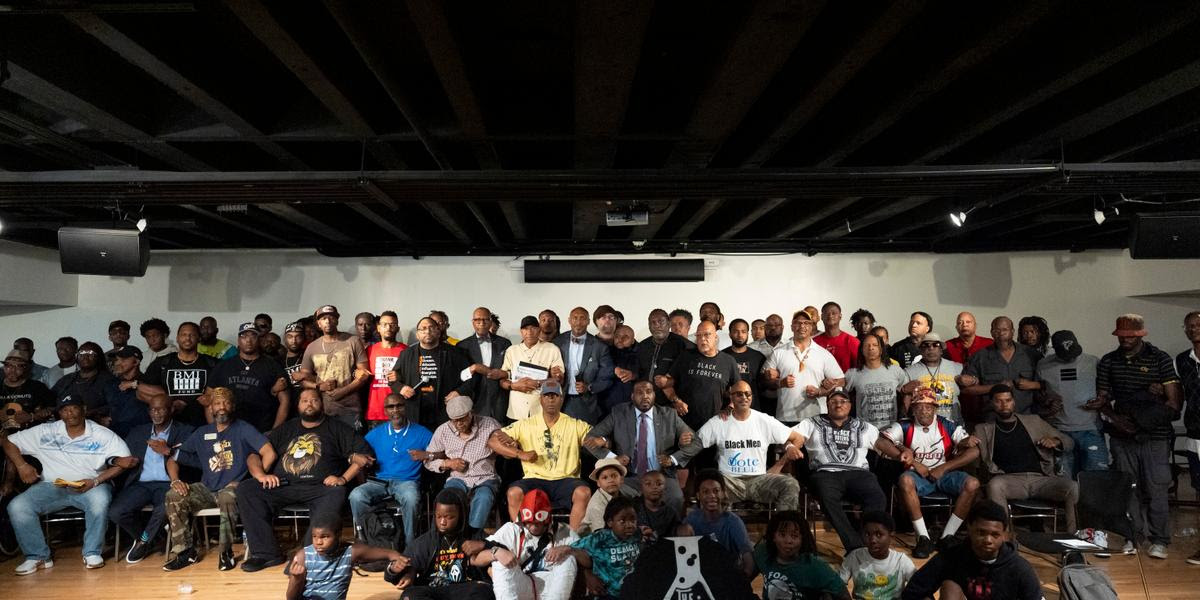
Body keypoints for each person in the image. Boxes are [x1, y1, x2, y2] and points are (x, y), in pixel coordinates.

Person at [237, 389, 370, 572]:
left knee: (337, 492)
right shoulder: (285, 429)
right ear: (297, 405)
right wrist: (261, 475)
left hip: (320, 488)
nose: (309, 404)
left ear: (321, 404)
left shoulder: (338, 428)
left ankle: (306, 557)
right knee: (247, 489)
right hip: (283, 485)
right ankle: (266, 554)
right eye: (304, 401)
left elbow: (364, 456)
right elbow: (253, 455)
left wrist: (342, 478)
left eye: (314, 400)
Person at [4, 394, 132, 573]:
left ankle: (92, 552)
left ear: (84, 409)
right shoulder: (46, 431)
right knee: (18, 506)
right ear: (59, 413)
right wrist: (21, 465)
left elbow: (125, 461)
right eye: (64, 409)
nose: (69, 413)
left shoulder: (102, 434)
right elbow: (8, 442)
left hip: (90, 485)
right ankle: (38, 556)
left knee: (99, 501)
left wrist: (95, 481)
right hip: (53, 486)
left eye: (73, 408)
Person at [1089, 313, 1181, 559]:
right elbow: (1104, 396)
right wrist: (1111, 414)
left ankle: (1160, 539)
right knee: (1129, 488)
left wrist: (1142, 422)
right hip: (1122, 435)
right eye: (1122, 335)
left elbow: (1173, 403)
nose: (1126, 339)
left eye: (1131, 335)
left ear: (1141, 334)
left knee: (1157, 488)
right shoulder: (1109, 361)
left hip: (1155, 435)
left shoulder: (1159, 359)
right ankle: (1133, 535)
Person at [162, 387, 273, 571]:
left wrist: (252, 482)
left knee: (227, 496)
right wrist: (175, 480)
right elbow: (173, 457)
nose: (222, 407)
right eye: (217, 403)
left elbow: (268, 452)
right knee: (173, 495)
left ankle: (225, 552)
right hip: (207, 489)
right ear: (211, 408)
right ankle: (185, 553)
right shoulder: (202, 433)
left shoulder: (243, 429)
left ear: (233, 406)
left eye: (226, 402)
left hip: (233, 488)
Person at [878, 388, 979, 558]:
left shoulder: (947, 424)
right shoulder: (904, 424)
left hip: (944, 474)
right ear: (913, 409)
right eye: (919, 407)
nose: (924, 411)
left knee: (973, 484)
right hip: (917, 477)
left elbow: (974, 451)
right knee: (905, 481)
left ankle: (948, 536)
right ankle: (923, 537)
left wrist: (944, 467)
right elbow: (880, 442)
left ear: (935, 409)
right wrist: (911, 460)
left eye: (928, 407)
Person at [963, 384, 1078, 533]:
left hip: (1041, 479)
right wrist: (964, 444)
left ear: (1014, 402)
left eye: (1008, 400)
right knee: (994, 485)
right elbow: (972, 457)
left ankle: (1073, 539)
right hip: (1010, 480)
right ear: (992, 403)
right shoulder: (983, 429)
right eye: (999, 401)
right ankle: (1005, 538)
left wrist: (1056, 441)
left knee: (1072, 486)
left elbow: (1069, 442)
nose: (1004, 405)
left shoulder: (1034, 421)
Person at [785, 390, 889, 552]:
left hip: (859, 474)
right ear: (827, 405)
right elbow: (791, 437)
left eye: (843, 401)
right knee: (827, 497)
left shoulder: (864, 426)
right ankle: (855, 547)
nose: (838, 404)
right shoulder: (812, 422)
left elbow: (881, 444)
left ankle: (864, 539)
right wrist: (791, 447)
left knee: (877, 497)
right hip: (825, 474)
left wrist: (901, 453)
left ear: (850, 405)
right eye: (833, 401)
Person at [490, 380, 592, 533]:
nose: (551, 400)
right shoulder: (525, 424)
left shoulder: (575, 424)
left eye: (555, 396)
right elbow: (493, 441)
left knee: (583, 492)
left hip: (567, 479)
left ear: (561, 399)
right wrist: (519, 453)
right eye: (547, 396)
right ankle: (522, 538)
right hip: (535, 479)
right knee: (513, 492)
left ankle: (573, 540)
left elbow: (596, 438)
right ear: (540, 399)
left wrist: (603, 440)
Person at [583, 379, 698, 513]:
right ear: (632, 396)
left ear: (654, 395)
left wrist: (673, 459)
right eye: (639, 392)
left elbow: (697, 441)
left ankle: (668, 533)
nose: (645, 396)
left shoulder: (669, 415)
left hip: (661, 476)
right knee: (609, 495)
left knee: (676, 498)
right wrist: (613, 459)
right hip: (629, 477)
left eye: (649, 392)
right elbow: (588, 439)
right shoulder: (619, 413)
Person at [108, 395, 195, 564]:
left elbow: (194, 460)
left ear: (171, 410)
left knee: (164, 509)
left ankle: (144, 541)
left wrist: (168, 450)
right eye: (153, 409)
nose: (156, 413)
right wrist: (115, 461)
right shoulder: (138, 432)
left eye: (161, 409)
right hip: (141, 484)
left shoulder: (185, 431)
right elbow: (117, 454)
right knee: (116, 512)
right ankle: (150, 538)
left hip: (168, 484)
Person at [695, 380, 804, 510]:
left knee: (790, 484)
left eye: (748, 394)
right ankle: (720, 527)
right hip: (729, 482)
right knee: (711, 485)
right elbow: (696, 442)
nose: (744, 398)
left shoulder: (764, 420)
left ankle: (781, 526)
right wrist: (683, 439)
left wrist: (779, 465)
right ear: (731, 397)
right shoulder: (719, 421)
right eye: (739, 394)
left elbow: (798, 438)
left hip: (760, 480)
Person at [902, 501, 1043, 600]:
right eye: (981, 533)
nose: (988, 540)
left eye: (995, 534)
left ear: (1005, 535)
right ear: (969, 528)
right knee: (951, 586)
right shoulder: (951, 557)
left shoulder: (1019, 568)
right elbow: (913, 591)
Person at [349, 392, 432, 548]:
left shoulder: (422, 432)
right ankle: (366, 541)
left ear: (405, 407)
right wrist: (364, 460)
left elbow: (440, 452)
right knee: (356, 495)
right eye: (390, 407)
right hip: (379, 482)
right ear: (385, 411)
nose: (395, 410)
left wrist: (427, 454)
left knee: (411, 498)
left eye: (399, 406)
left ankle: (410, 545)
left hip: (407, 481)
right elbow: (358, 454)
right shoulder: (375, 433)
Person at [383, 487, 491, 599]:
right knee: (409, 596)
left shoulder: (477, 536)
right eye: (438, 516)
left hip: (466, 589)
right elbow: (398, 572)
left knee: (482, 592)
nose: (442, 522)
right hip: (434, 589)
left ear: (462, 515)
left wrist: (484, 545)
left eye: (449, 517)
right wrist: (393, 569)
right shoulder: (425, 541)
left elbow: (504, 552)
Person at [413, 396, 500, 531]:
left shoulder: (489, 424)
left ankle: (471, 536)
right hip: (458, 479)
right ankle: (438, 539)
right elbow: (428, 461)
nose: (459, 423)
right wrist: (448, 463)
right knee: (446, 498)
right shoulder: (443, 430)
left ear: (471, 412)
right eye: (455, 420)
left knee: (484, 497)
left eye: (463, 418)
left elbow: (505, 447)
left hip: (485, 478)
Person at [477, 489, 577, 600]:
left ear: (548, 519)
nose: (534, 527)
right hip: (522, 584)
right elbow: (476, 558)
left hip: (554, 584)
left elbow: (588, 558)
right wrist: (496, 552)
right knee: (499, 560)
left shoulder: (564, 531)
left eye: (538, 523)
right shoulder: (511, 529)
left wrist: (567, 549)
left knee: (569, 558)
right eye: (530, 522)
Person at [285, 514, 408, 600]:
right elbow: (290, 598)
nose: (318, 542)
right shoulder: (303, 556)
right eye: (314, 536)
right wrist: (296, 579)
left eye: (325, 537)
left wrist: (400, 561)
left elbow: (389, 553)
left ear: (338, 535)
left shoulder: (351, 552)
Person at [1037, 330, 1106, 477]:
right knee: (1064, 481)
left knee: (1096, 479)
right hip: (1059, 431)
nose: (1070, 358)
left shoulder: (1093, 362)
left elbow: (1106, 390)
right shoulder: (1043, 365)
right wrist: (1047, 401)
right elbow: (1038, 393)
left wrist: (1101, 400)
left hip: (1090, 429)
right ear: (1054, 349)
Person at [763, 310, 845, 424]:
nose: (802, 326)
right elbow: (764, 381)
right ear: (792, 327)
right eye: (797, 323)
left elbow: (841, 380)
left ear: (811, 327)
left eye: (806, 323)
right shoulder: (778, 352)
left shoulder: (823, 353)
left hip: (817, 417)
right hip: (785, 417)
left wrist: (820, 391)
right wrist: (780, 383)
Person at [205, 323, 290, 432]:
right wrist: (215, 430)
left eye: (253, 336)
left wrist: (274, 431)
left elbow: (285, 401)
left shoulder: (272, 366)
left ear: (259, 340)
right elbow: (208, 399)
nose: (248, 340)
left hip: (262, 431)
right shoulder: (224, 366)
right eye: (244, 336)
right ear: (238, 340)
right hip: (228, 430)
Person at [392, 316, 473, 430]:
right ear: (417, 334)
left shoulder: (456, 353)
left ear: (438, 332)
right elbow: (392, 378)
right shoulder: (406, 354)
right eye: (423, 329)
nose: (427, 331)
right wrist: (401, 388)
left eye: (431, 328)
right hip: (415, 411)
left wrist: (459, 392)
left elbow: (473, 377)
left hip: (445, 411)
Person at [662, 320, 742, 433]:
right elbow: (666, 384)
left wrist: (730, 408)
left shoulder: (728, 361)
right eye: (698, 335)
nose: (702, 339)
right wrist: (676, 401)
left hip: (715, 426)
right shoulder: (686, 356)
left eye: (707, 334)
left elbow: (740, 390)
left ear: (716, 337)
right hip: (684, 425)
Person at [298, 305, 369, 429]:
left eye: (331, 317)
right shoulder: (312, 347)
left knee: (352, 445)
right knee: (328, 445)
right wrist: (319, 386)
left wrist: (344, 390)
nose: (328, 321)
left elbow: (364, 374)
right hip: (323, 408)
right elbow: (303, 380)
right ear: (318, 323)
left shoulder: (353, 341)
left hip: (350, 408)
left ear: (337, 320)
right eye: (324, 318)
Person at [753, 510, 848, 600]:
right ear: (773, 536)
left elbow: (843, 593)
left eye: (794, 536)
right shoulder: (763, 552)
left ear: (803, 539)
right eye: (782, 535)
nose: (788, 541)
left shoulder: (815, 567)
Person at [139, 321, 218, 427]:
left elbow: (223, 394)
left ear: (199, 338)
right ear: (177, 338)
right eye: (183, 335)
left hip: (201, 424)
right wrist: (169, 403)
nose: (187, 338)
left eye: (192, 335)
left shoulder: (212, 363)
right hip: (169, 425)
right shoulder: (162, 362)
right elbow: (141, 390)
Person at [962, 317, 1042, 419]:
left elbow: (1047, 385)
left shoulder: (1031, 355)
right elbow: (967, 389)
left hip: (1027, 418)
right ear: (991, 332)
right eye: (997, 330)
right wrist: (995, 387)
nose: (1001, 333)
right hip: (993, 420)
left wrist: (1033, 385)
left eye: (1005, 330)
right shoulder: (980, 357)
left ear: (1012, 331)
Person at [684, 469, 753, 578]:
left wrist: (743, 581)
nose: (712, 495)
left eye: (716, 491)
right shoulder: (691, 520)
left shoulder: (733, 521)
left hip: (727, 576)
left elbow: (747, 554)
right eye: (705, 492)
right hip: (700, 577)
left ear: (723, 493)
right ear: (698, 495)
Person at [570, 496, 643, 599]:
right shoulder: (600, 538)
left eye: (633, 520)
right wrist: (587, 574)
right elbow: (571, 550)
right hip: (608, 594)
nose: (629, 525)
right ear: (610, 522)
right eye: (622, 521)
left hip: (636, 592)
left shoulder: (637, 535)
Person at [555, 306, 615, 424]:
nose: (578, 322)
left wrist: (589, 387)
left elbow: (607, 377)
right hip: (561, 401)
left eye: (582, 318)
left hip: (587, 404)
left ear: (588, 321)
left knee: (585, 440)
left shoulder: (600, 347)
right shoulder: (558, 342)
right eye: (575, 318)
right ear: (569, 320)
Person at [901, 333, 975, 425]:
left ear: (941, 350)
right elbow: (903, 401)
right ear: (920, 350)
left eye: (936, 345)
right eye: (926, 345)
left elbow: (976, 384)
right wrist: (904, 390)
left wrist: (973, 380)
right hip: (922, 425)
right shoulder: (909, 372)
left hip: (954, 424)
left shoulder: (957, 367)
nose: (931, 348)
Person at [501, 315, 565, 420]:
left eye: (533, 328)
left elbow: (559, 380)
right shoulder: (512, 351)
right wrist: (513, 386)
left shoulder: (551, 349)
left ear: (539, 330)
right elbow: (502, 379)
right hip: (516, 410)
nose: (529, 332)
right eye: (525, 329)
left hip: (541, 410)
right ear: (521, 332)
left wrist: (538, 383)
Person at [839, 511, 915, 600]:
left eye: (879, 534)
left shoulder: (901, 561)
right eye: (867, 534)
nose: (872, 540)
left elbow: (918, 586)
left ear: (891, 536)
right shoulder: (854, 556)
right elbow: (837, 585)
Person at [843, 333, 908, 430]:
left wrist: (904, 414)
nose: (871, 348)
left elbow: (907, 392)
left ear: (881, 349)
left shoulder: (896, 371)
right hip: (864, 431)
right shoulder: (852, 374)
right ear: (861, 349)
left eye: (875, 345)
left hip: (892, 430)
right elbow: (840, 395)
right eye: (867, 345)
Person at [458, 307, 511, 420]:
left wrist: (503, 374)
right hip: (474, 398)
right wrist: (473, 368)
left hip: (500, 398)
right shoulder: (462, 346)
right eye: (478, 320)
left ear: (491, 322)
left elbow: (512, 370)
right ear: (473, 322)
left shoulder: (504, 343)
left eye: (485, 320)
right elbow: (460, 376)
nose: (481, 323)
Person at [1176, 311, 1200, 565]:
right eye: (1190, 326)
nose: (1194, 329)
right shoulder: (1183, 359)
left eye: (1199, 325)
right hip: (1195, 435)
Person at [636, 308, 691, 406]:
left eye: (661, 321)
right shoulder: (642, 346)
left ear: (669, 324)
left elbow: (690, 375)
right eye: (653, 323)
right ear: (649, 327)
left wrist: (671, 382)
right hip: (646, 403)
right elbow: (638, 373)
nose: (657, 325)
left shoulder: (682, 345)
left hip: (673, 403)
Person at [51, 341, 115, 422]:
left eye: (91, 353)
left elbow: (115, 405)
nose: (85, 356)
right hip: (64, 424)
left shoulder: (108, 380)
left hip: (95, 424)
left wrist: (91, 413)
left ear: (98, 357)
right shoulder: (67, 379)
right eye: (81, 353)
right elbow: (51, 400)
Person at [365, 310, 408, 424]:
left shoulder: (407, 351)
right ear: (378, 328)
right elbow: (360, 373)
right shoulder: (369, 350)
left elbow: (414, 377)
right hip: (376, 411)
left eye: (392, 325)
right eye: (384, 325)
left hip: (400, 411)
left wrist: (400, 376)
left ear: (397, 328)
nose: (388, 328)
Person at [0, 348, 55, 430]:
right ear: (4, 367)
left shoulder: (37, 387)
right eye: (9, 365)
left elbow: (55, 407)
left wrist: (32, 416)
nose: (13, 370)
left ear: (25, 368)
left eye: (19, 366)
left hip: (30, 436)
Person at [101, 346, 150, 437]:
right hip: (115, 436)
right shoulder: (110, 384)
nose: (117, 363)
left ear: (136, 362)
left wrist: (135, 384)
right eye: (116, 360)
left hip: (141, 436)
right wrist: (100, 418)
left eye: (123, 360)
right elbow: (105, 406)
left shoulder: (148, 381)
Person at [723, 318, 767, 410]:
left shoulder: (758, 357)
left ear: (748, 334)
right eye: (736, 331)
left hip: (753, 409)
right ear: (730, 334)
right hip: (728, 409)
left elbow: (763, 386)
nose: (740, 335)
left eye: (743, 332)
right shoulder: (721, 356)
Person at [581, 457, 630, 535]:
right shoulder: (596, 504)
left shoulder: (625, 497)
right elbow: (602, 535)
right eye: (605, 478)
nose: (610, 480)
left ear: (621, 479)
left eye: (614, 476)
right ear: (598, 483)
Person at [601, 324, 639, 411]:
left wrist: (634, 375)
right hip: (606, 403)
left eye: (625, 337)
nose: (620, 340)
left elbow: (646, 373)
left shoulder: (641, 353)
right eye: (617, 336)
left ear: (633, 340)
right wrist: (613, 369)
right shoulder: (605, 351)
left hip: (632, 404)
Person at [814, 301, 861, 372]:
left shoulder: (853, 342)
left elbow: (859, 371)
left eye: (834, 313)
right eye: (827, 313)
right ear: (822, 317)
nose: (830, 316)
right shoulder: (813, 342)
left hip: (847, 382)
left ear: (840, 316)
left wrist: (843, 381)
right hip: (819, 382)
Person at [635, 470, 682, 542]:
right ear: (641, 488)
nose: (654, 487)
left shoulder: (671, 512)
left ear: (665, 488)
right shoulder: (634, 509)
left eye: (659, 484)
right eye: (648, 484)